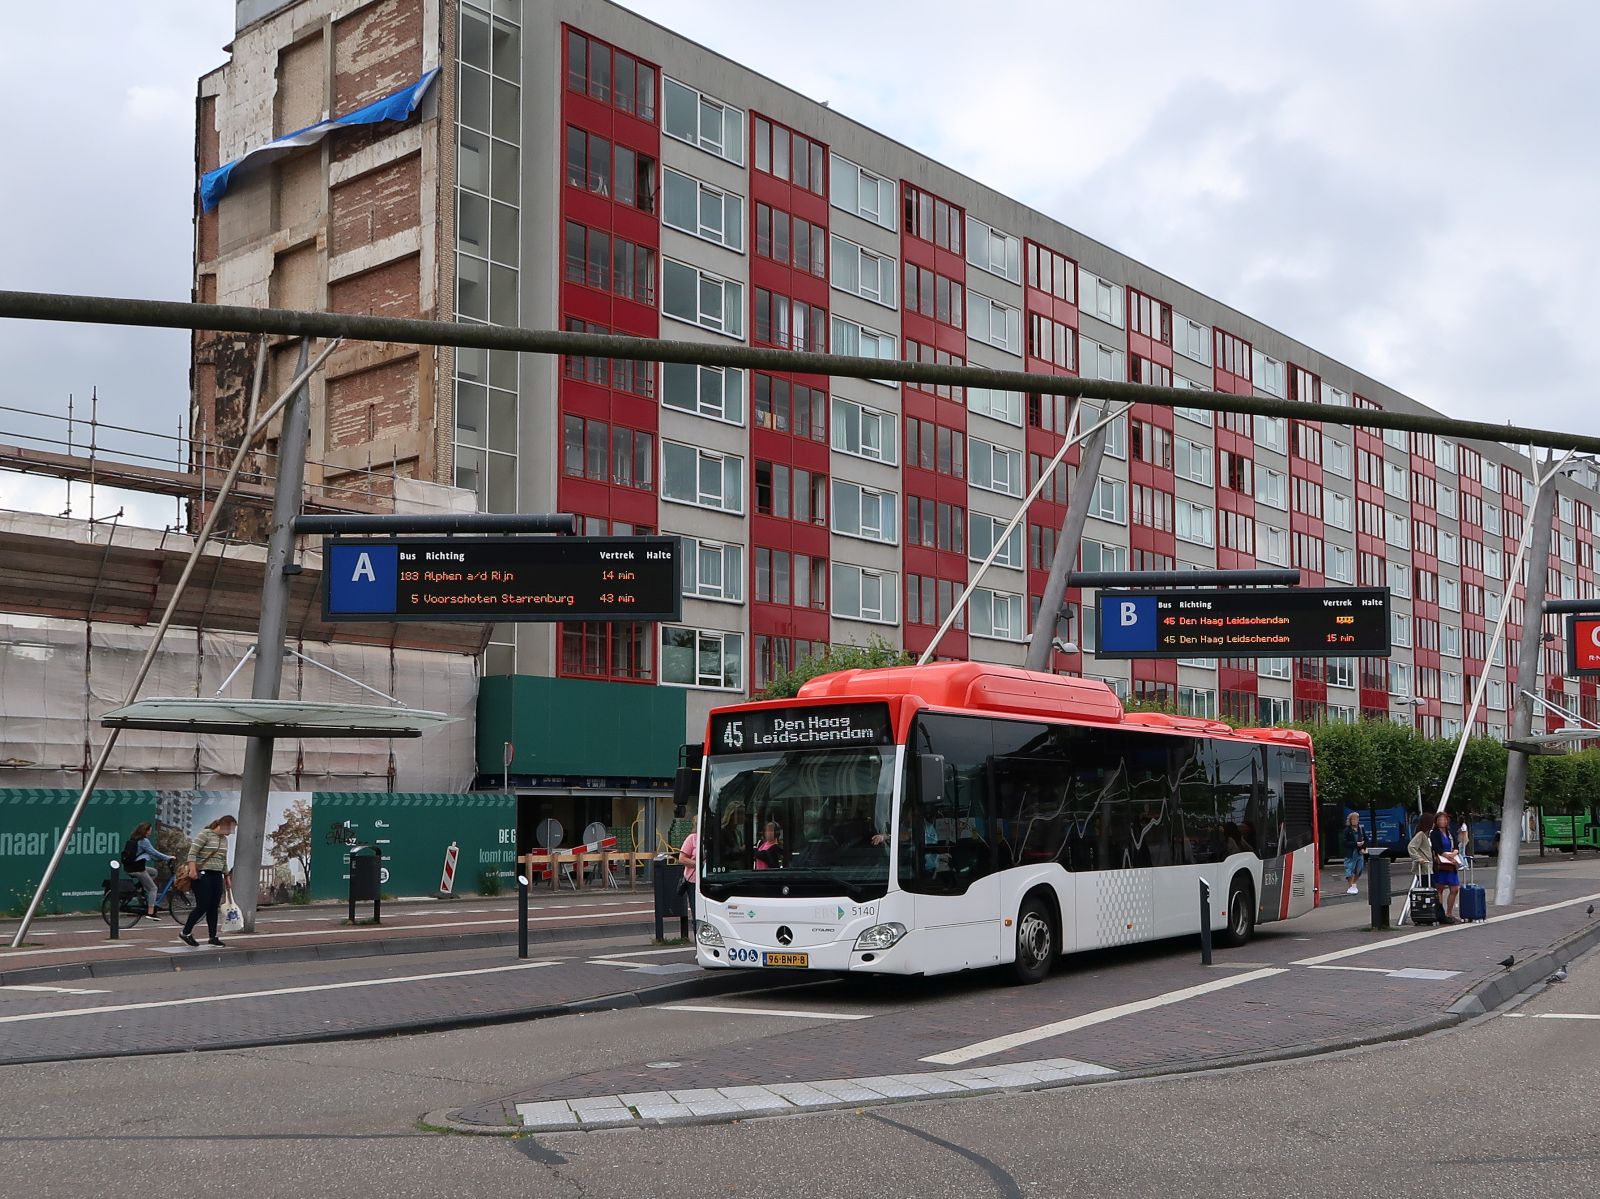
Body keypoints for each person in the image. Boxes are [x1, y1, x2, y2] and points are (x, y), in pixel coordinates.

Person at [180, 814, 236, 947]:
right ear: (222, 825)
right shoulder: (205, 834)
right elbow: (192, 853)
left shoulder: (224, 840)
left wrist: (227, 876)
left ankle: (213, 937)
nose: (230, 833)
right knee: (202, 905)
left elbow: (223, 859)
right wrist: (193, 870)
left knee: (213, 907)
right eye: (230, 829)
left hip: (216, 875)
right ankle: (185, 932)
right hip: (202, 874)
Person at [125, 821, 173, 917]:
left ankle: (143, 892)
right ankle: (150, 912)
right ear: (145, 831)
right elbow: (154, 852)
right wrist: (168, 857)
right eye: (150, 830)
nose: (150, 832)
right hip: (138, 869)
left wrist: (159, 859)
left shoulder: (134, 839)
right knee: (153, 888)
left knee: (154, 872)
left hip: (130, 867)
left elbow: (149, 854)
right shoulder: (144, 841)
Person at [1431, 811, 1463, 924]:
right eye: (1440, 820)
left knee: (1454, 888)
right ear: (1436, 821)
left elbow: (1456, 845)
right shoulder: (1434, 833)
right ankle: (1440, 914)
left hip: (1451, 863)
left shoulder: (1450, 833)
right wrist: (1446, 856)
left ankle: (1449, 913)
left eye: (1444, 819)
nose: (1442, 821)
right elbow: (1436, 847)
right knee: (1439, 888)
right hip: (1441, 864)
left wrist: (1454, 853)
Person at [677, 818, 699, 926]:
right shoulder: (692, 838)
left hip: (709, 879)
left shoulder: (713, 838)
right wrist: (698, 865)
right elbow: (682, 858)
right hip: (694, 881)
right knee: (697, 911)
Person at [1341, 812, 1366, 895]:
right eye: (1353, 819)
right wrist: (1355, 844)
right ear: (1350, 821)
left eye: (1357, 819)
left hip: (1359, 852)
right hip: (1351, 853)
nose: (1355, 821)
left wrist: (1363, 848)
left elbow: (1366, 839)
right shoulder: (1347, 830)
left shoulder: (1361, 829)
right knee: (1350, 870)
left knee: (1359, 869)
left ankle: (1353, 884)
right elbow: (1344, 843)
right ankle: (1351, 886)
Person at [1406, 815, 1433, 891]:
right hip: (1424, 867)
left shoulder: (1427, 835)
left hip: (1429, 866)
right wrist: (1418, 858)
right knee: (1427, 888)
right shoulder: (1421, 834)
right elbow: (1411, 846)